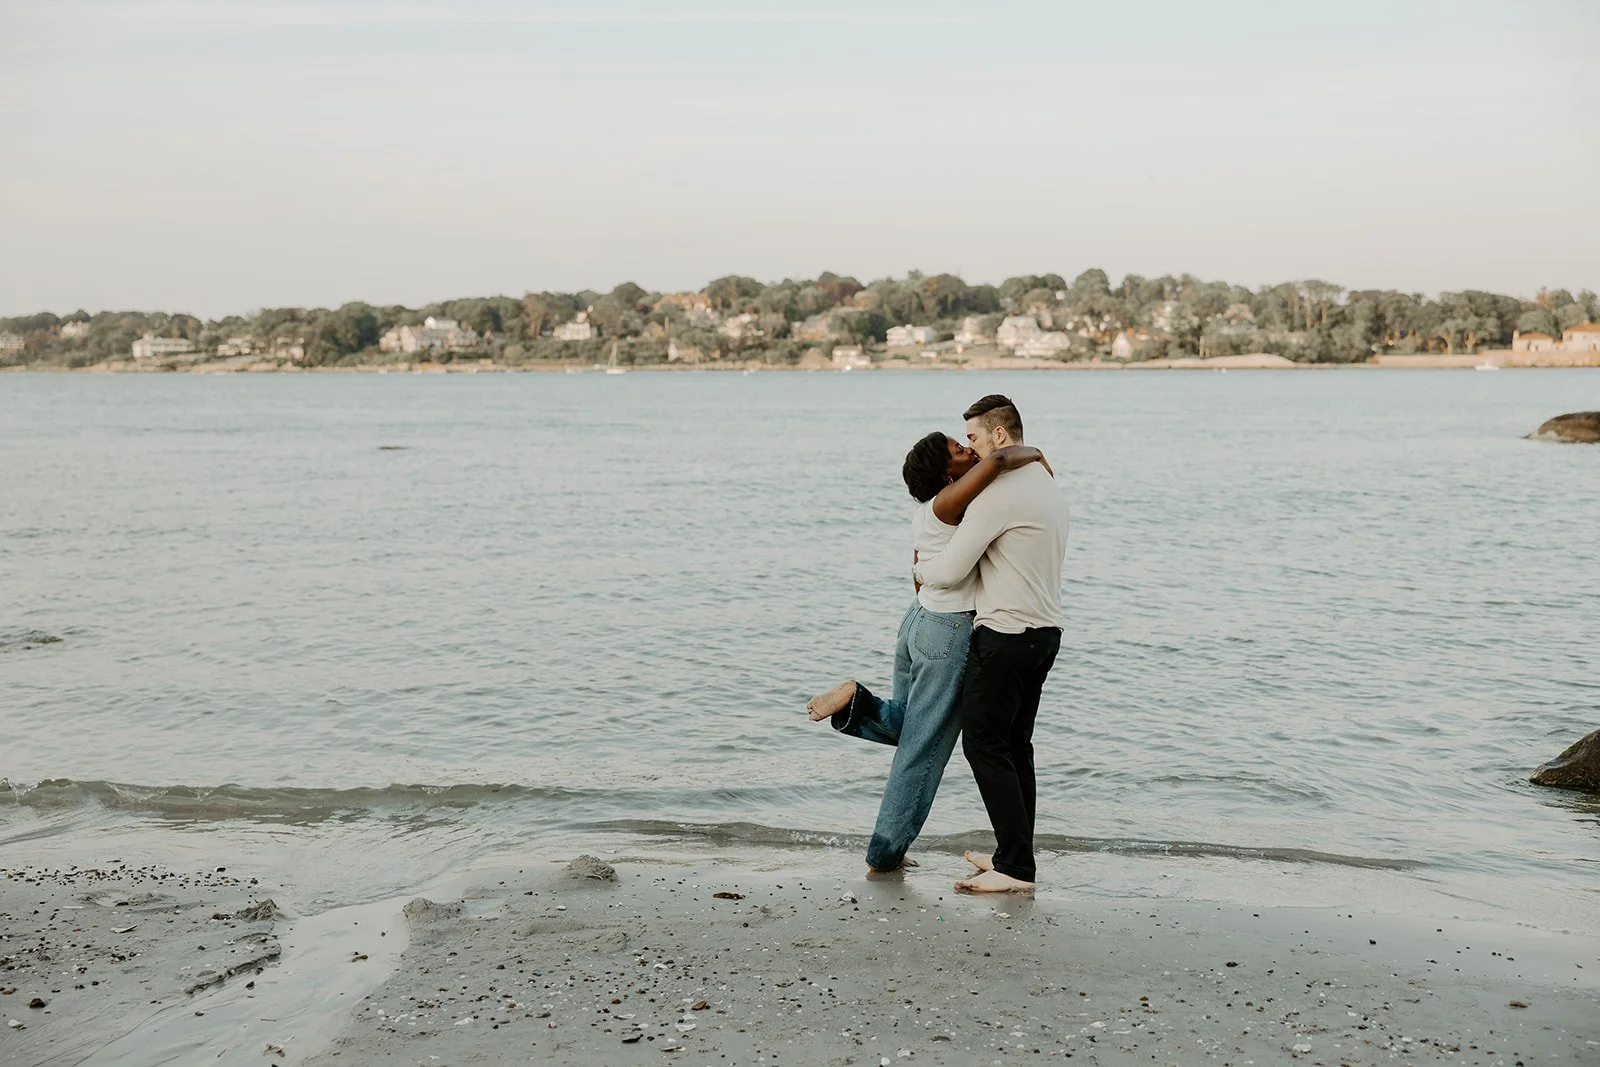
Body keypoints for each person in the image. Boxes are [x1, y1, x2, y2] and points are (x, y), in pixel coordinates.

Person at [806, 431, 1049, 876]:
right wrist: (1032, 452)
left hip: (918, 620)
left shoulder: (929, 513)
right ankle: (885, 851)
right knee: (924, 747)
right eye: (958, 451)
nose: (969, 451)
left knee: (906, 725)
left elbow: (922, 566)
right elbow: (995, 465)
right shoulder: (951, 503)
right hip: (948, 631)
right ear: (945, 474)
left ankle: (856, 704)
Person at [914, 395, 1069, 894]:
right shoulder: (1043, 481)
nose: (973, 450)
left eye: (975, 439)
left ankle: (1016, 870)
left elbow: (953, 567)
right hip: (1044, 633)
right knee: (1015, 748)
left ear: (999, 437)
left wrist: (918, 571)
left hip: (1005, 635)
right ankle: (1014, 855)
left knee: (983, 745)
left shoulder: (998, 492)